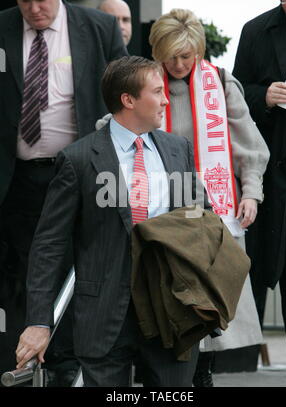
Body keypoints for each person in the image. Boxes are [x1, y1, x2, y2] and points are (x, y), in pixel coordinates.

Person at [15, 55, 204, 387]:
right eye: (157, 92)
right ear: (128, 100)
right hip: (103, 318)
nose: (164, 100)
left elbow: (199, 225)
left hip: (171, 313)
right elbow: (49, 245)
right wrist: (39, 321)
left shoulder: (178, 149)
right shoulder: (78, 160)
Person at [0, 0, 126, 385]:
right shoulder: (3, 27)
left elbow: (125, 92)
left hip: (77, 174)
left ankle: (65, 367)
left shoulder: (99, 28)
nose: (34, 9)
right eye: (25, 1)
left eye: (42, 0)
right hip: (14, 177)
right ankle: (18, 365)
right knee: (17, 275)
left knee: (76, 270)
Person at [149, 8, 270, 386]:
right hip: (162, 210)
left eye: (187, 55)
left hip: (216, 208)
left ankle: (203, 376)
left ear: (199, 51)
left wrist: (251, 193)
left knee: (213, 298)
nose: (179, 63)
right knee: (171, 299)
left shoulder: (220, 82)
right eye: (171, 55)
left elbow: (248, 145)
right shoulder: (145, 83)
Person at [233, 0, 286, 387]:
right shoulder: (256, 30)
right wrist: (265, 97)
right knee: (273, 275)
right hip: (274, 182)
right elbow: (239, 97)